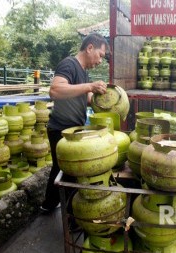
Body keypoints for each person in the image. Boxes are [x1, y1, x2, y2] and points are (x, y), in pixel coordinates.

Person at [41, 32, 108, 213]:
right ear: (90, 48)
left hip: (72, 129)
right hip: (60, 129)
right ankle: (71, 216)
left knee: (60, 168)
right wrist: (90, 86)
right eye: (100, 56)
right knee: (70, 172)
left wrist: (105, 101)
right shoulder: (69, 64)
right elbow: (55, 90)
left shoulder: (83, 72)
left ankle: (49, 204)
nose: (100, 61)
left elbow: (86, 98)